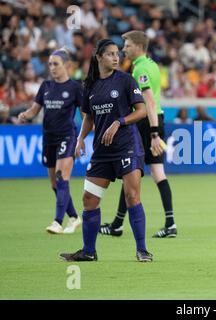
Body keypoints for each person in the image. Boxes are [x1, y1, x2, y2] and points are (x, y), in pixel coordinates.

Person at [59, 39, 152, 262]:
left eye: (116, 53)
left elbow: (142, 111)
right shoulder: (89, 85)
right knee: (89, 199)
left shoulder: (126, 80)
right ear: (98, 58)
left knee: (131, 196)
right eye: (110, 54)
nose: (115, 57)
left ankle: (142, 250)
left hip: (127, 146)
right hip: (102, 151)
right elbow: (89, 117)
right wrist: (80, 139)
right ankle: (89, 252)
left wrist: (119, 121)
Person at [98, 30, 177, 238]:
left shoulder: (140, 69)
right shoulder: (151, 65)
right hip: (156, 120)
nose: (123, 50)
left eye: (127, 45)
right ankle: (170, 223)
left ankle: (117, 224)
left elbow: (148, 101)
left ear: (139, 47)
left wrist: (152, 133)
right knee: (157, 173)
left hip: (146, 124)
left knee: (129, 173)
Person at [18, 48, 82, 234]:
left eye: (56, 64)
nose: (52, 68)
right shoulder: (45, 86)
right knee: (55, 183)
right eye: (50, 65)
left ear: (67, 65)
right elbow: (35, 110)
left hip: (67, 137)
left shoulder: (75, 88)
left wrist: (82, 138)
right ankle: (74, 217)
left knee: (62, 177)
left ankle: (57, 222)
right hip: (48, 138)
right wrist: (24, 115)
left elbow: (86, 114)